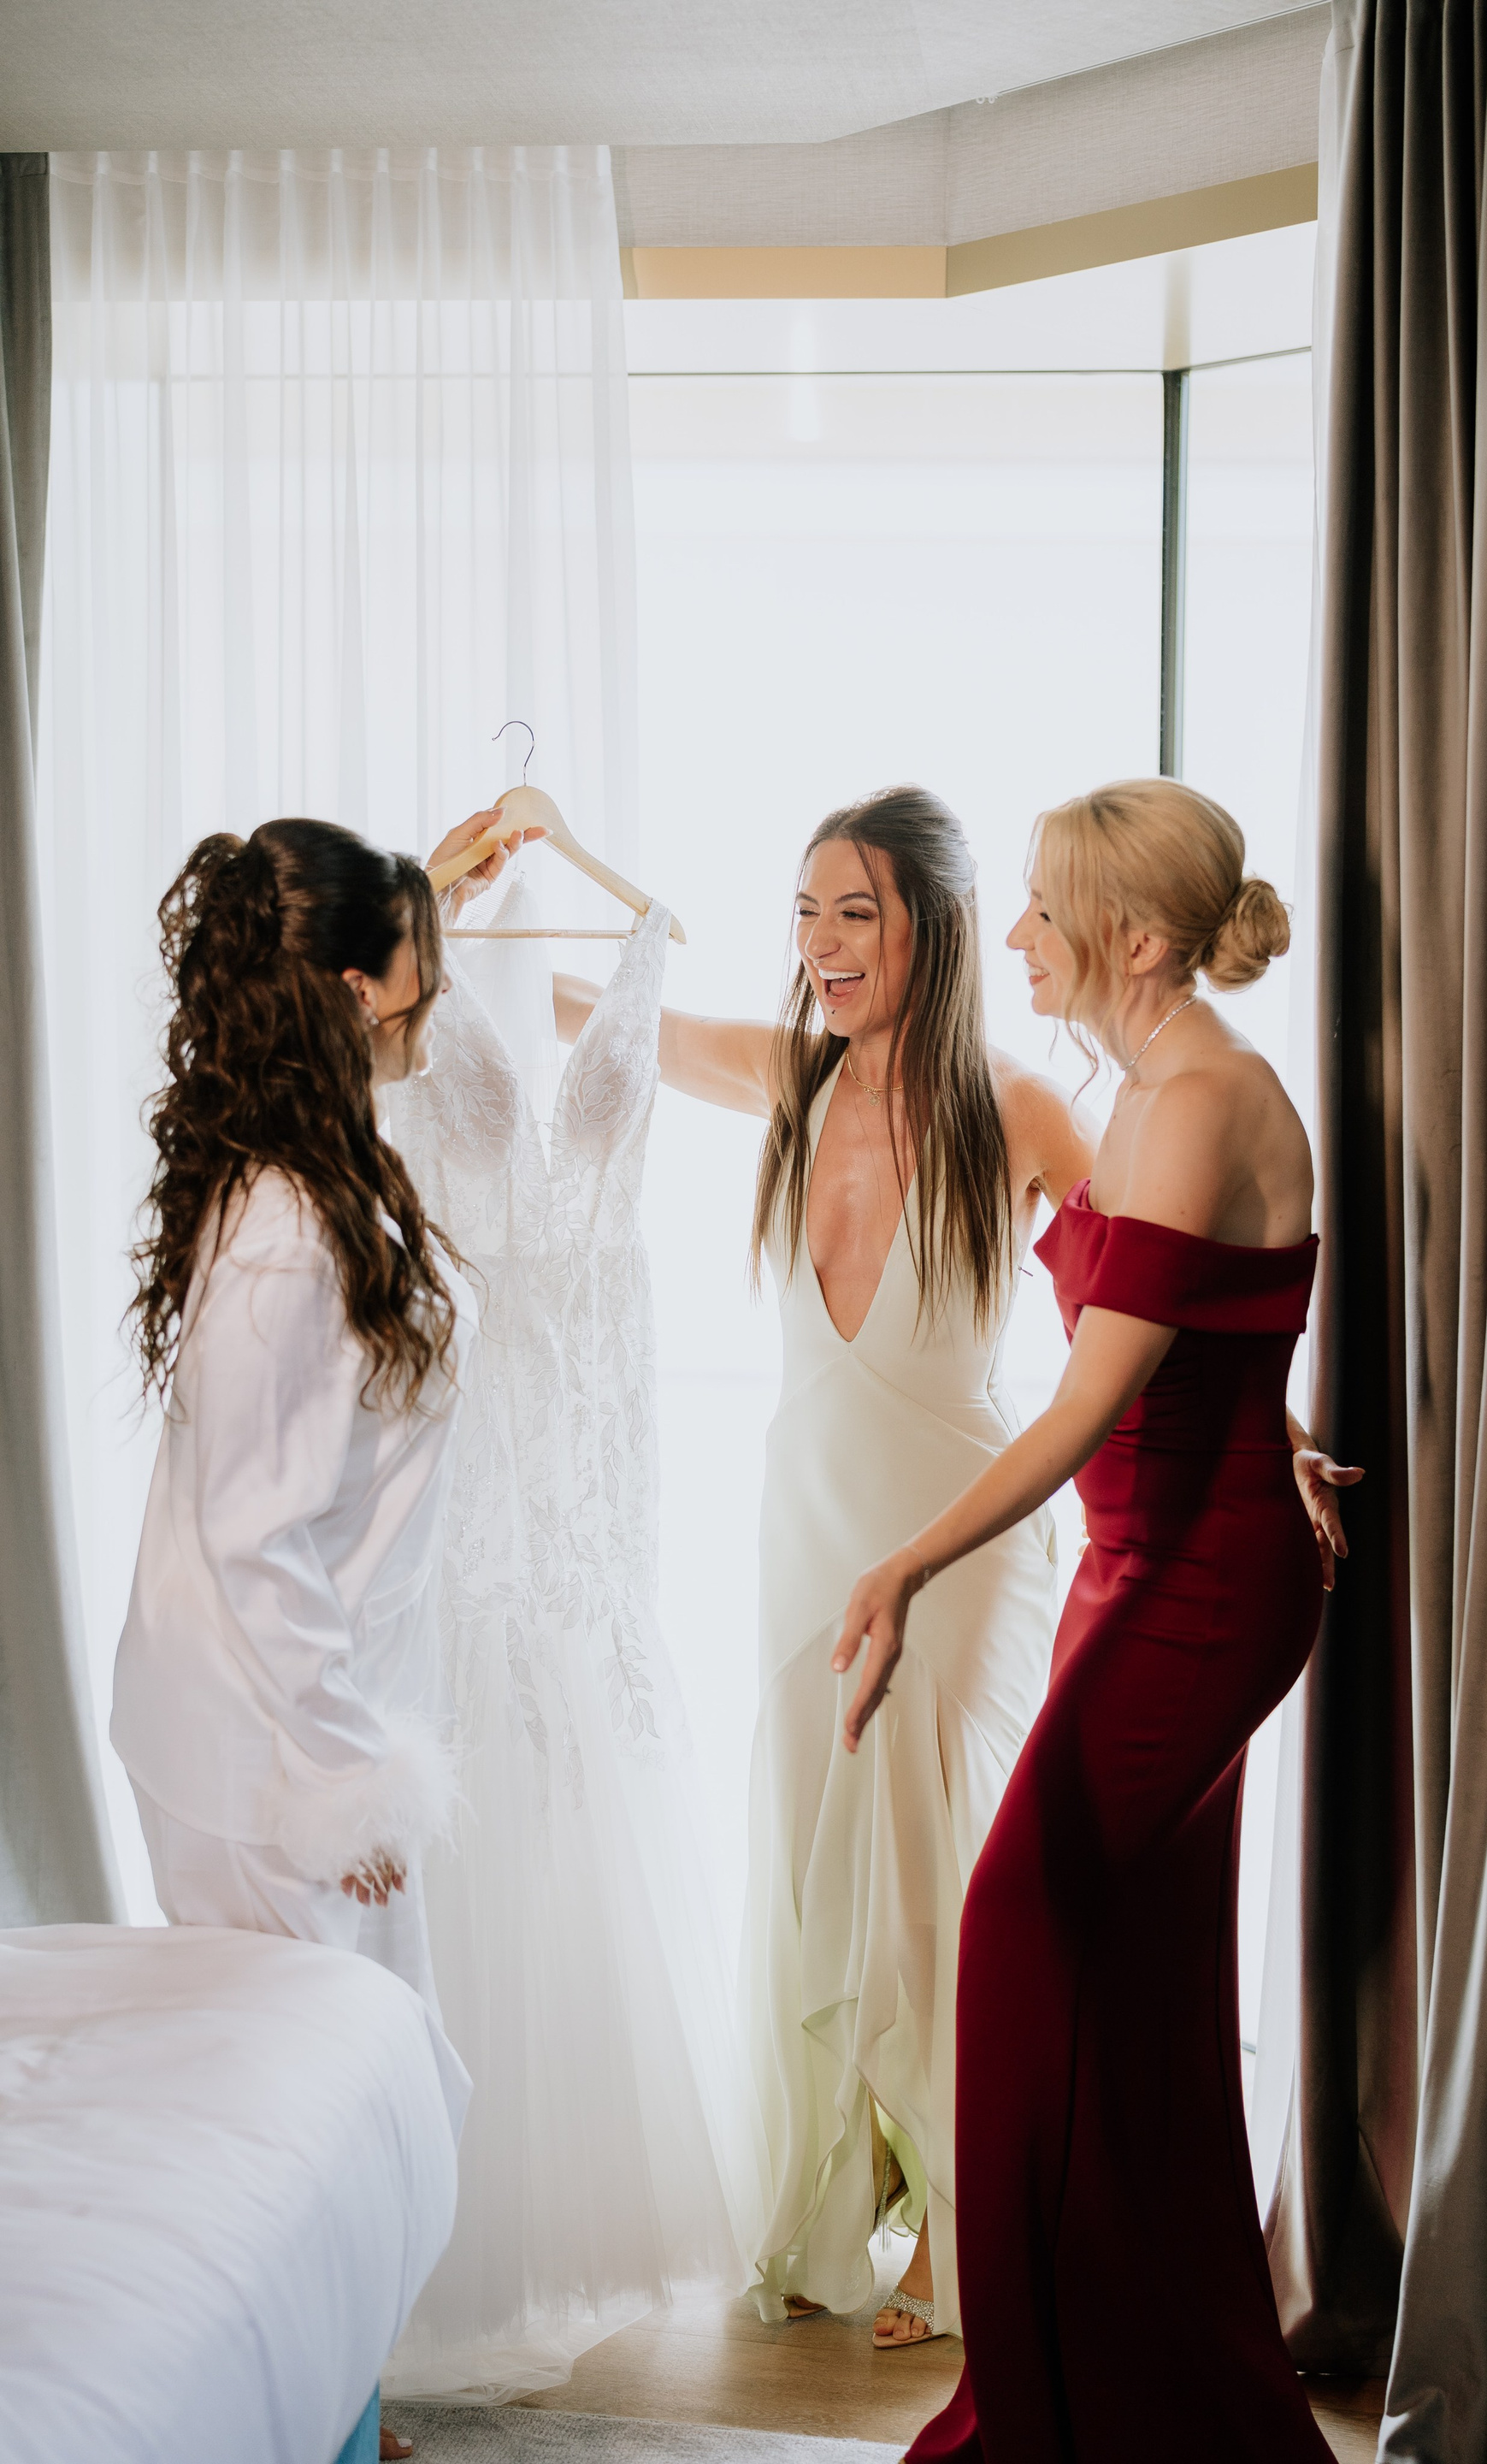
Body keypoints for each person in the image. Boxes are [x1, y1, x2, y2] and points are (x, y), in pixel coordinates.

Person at [834, 778, 1363, 2460]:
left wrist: (904, 1566)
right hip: (1142, 1563)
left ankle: (1037, 2411)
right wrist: (1280, 1427)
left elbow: (1090, 1400)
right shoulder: (1143, 1090)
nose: (1017, 936)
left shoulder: (1202, 1097)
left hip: (1198, 1583)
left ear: (1130, 939)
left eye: (1046, 910)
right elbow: (1216, 1328)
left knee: (1016, 1925)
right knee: (1131, 1990)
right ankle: (1152, 2398)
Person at [552, 785, 1089, 2346]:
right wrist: (453, 936)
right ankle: (837, 2198)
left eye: (857, 912)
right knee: (812, 1849)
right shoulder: (792, 1078)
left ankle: (956, 2234)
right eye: (805, 912)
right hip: (804, 1528)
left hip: (966, 1529)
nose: (823, 943)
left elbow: (1150, 1287)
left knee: (928, 1856)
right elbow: (621, 1026)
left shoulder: (1018, 1106)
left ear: (936, 925)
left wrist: (1281, 1427)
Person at [112, 810, 525, 2464]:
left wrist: (432, 882)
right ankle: (316, 2423)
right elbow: (254, 1535)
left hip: (290, 1719)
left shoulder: (312, 1169)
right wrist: (351, 1773)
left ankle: (338, 2409)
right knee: (322, 2116)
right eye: (424, 957)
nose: (442, 987)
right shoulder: (290, 1226)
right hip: (265, 1751)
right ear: (359, 988)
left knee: (346, 2105)